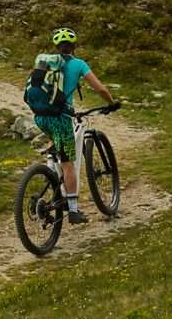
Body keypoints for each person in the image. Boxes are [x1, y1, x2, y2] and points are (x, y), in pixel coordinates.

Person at [30, 27, 120, 225]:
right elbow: (100, 88)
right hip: (61, 118)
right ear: (74, 47)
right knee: (69, 163)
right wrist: (112, 104)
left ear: (56, 47)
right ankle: (72, 211)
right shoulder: (79, 64)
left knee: (56, 146)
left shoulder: (47, 63)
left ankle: (50, 173)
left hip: (41, 117)